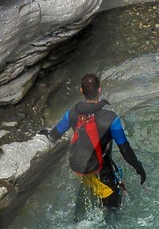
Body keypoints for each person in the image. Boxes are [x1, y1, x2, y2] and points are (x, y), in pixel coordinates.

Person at [42, 72, 146, 213]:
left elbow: (54, 135)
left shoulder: (71, 113)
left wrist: (46, 134)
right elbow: (125, 149)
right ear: (99, 90)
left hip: (84, 173)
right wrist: (139, 168)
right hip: (105, 175)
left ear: (81, 91)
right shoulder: (111, 118)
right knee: (113, 214)